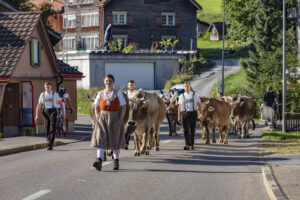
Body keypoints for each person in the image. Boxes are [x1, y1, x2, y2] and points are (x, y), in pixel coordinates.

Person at [91, 74, 127, 171]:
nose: (108, 82)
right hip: (102, 117)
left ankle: (116, 161)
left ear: (113, 82)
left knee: (115, 139)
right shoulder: (100, 93)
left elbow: (124, 107)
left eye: (110, 81)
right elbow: (96, 106)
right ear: (104, 82)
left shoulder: (118, 93)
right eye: (107, 81)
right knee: (100, 138)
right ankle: (99, 160)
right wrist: (98, 116)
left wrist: (121, 119)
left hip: (115, 117)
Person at [35, 82, 64, 150]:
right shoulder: (42, 95)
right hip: (45, 111)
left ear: (51, 87)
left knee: (52, 126)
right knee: (46, 126)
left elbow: (61, 104)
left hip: (53, 111)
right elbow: (39, 105)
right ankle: (49, 142)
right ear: (44, 87)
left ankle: (51, 142)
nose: (47, 89)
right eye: (45, 87)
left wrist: (63, 114)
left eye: (48, 87)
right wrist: (36, 115)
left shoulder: (55, 94)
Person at [177, 81, 201, 150]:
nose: (187, 87)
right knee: (186, 130)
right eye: (185, 86)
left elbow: (199, 104)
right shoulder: (181, 96)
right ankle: (187, 144)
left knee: (192, 129)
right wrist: (179, 117)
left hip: (193, 113)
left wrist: (201, 114)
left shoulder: (195, 94)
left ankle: (192, 144)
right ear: (183, 87)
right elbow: (179, 107)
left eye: (188, 86)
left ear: (190, 86)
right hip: (184, 114)